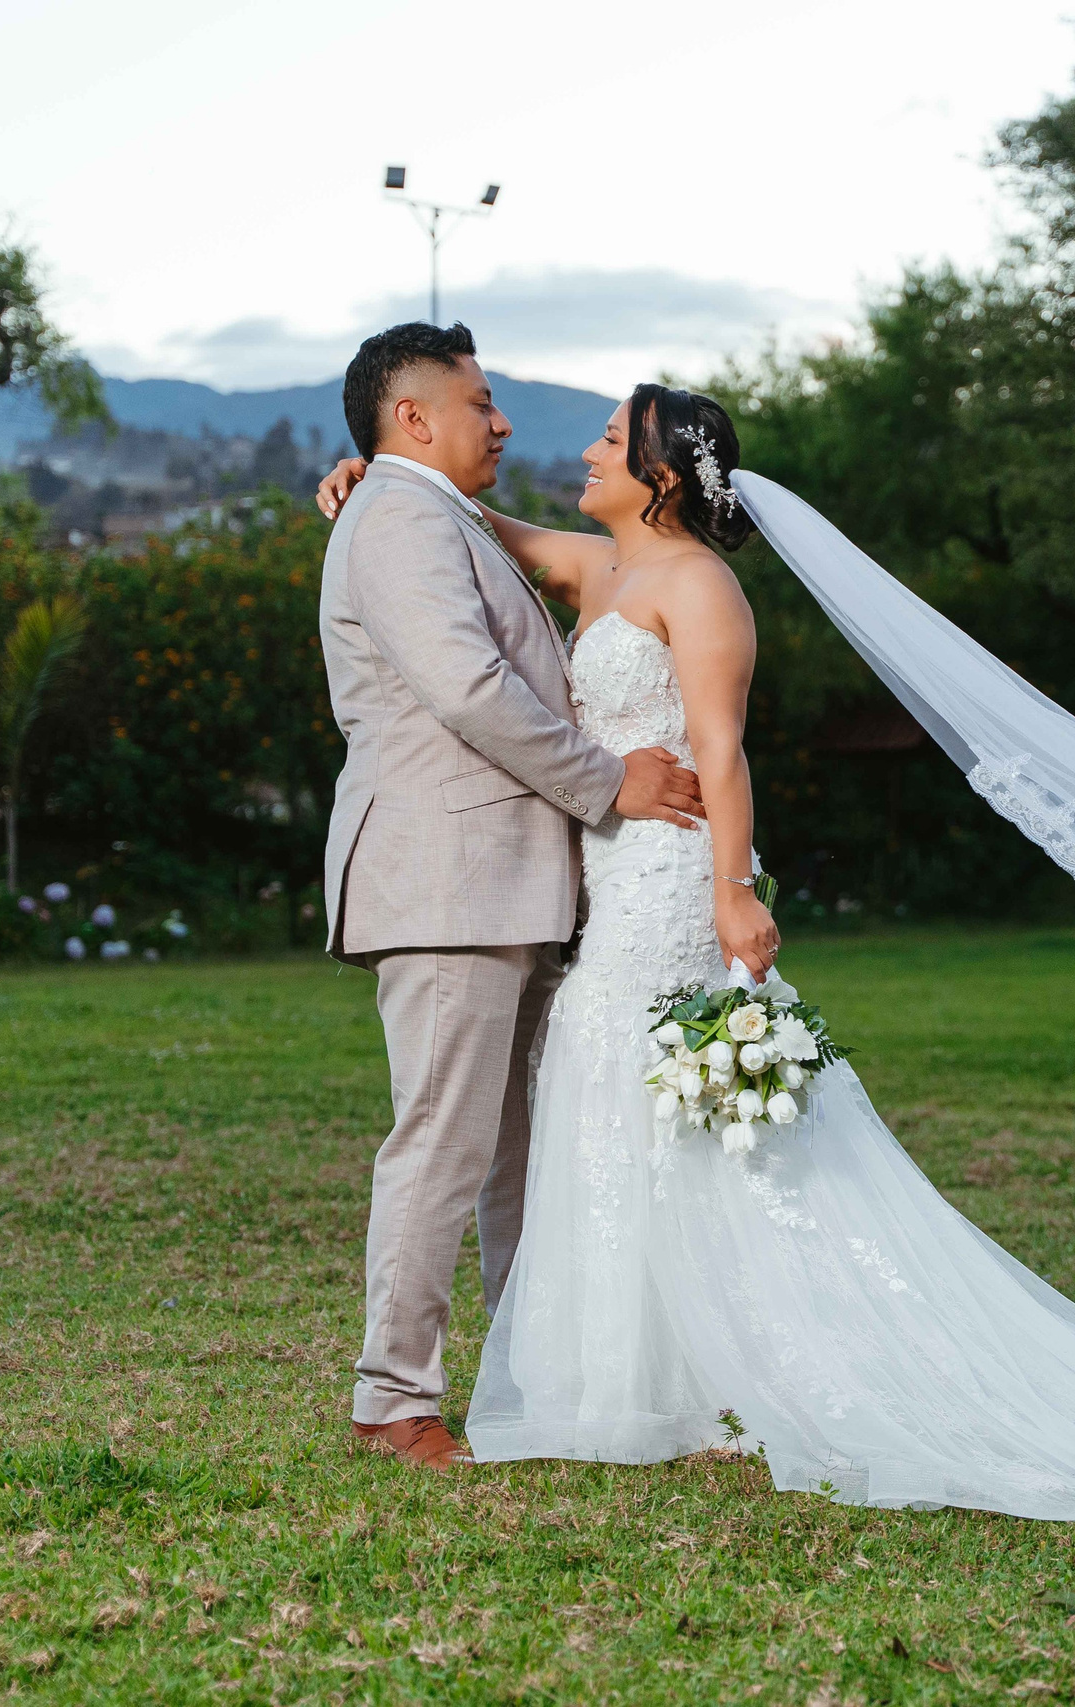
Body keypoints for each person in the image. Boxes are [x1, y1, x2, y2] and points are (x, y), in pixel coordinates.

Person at [313, 383, 1075, 1537]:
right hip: (600, 880)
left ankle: (724, 1367)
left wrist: (736, 891)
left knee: (656, 1105)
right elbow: (485, 531)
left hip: (672, 875)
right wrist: (382, 483)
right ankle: (623, 1377)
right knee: (598, 1103)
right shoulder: (597, 565)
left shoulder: (700, 586)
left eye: (612, 438)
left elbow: (721, 755)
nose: (580, 449)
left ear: (663, 474)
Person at [316, 324, 703, 1471]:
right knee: (441, 1142)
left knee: (515, 1156)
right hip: (445, 883)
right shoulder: (394, 517)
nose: (504, 422)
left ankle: (541, 1381)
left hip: (508, 885)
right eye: (482, 402)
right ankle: (394, 1401)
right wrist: (611, 784)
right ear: (415, 419)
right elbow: (467, 687)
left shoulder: (419, 510)